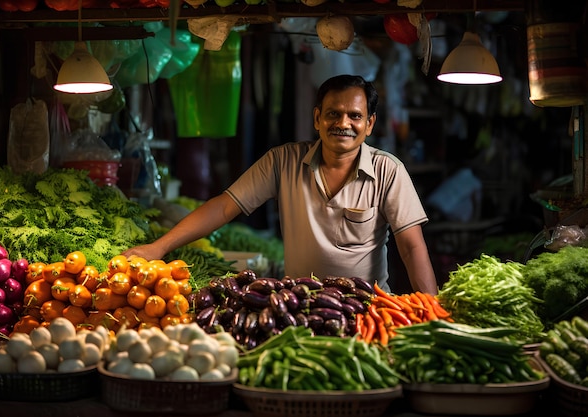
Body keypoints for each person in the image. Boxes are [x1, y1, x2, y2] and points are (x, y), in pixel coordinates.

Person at [123, 74, 437, 294]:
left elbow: (411, 247)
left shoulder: (388, 171)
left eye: (355, 116)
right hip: (297, 306)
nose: (343, 124)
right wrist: (158, 247)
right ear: (317, 119)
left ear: (369, 124)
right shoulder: (282, 162)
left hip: (368, 307)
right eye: (333, 114)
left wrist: (432, 310)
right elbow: (223, 207)